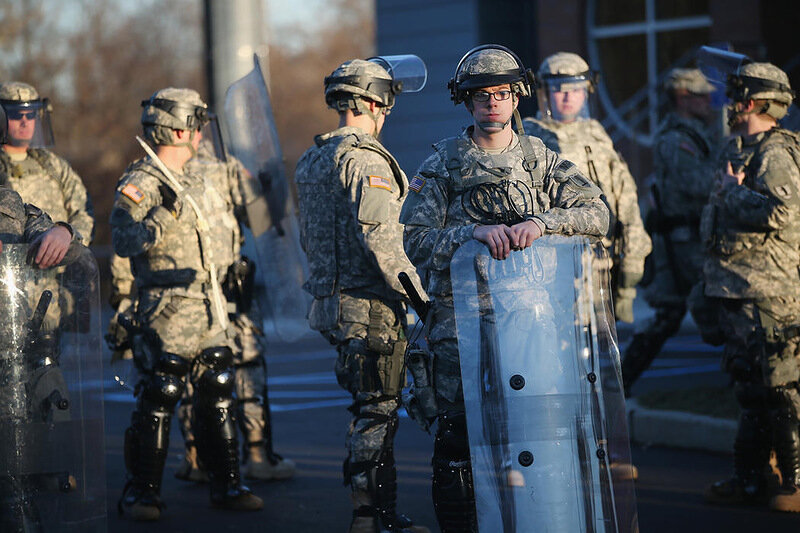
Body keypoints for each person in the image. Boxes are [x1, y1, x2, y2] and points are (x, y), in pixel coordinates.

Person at [399, 44, 609, 532]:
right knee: (458, 440)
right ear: (465, 102)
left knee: (541, 433)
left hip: (529, 323)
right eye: (480, 95)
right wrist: (469, 234)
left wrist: (543, 222)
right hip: (460, 325)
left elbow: (597, 214)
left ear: (517, 97)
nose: (492, 103)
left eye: (502, 93)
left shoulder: (540, 158)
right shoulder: (443, 164)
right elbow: (411, 239)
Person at [111, 87, 263, 520]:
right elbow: (122, 239)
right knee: (162, 392)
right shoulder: (143, 181)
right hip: (167, 308)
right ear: (177, 129)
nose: (200, 134)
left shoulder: (196, 180)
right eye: (195, 125)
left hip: (209, 302)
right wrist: (161, 215)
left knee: (218, 390)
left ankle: (228, 484)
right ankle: (143, 494)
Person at [295, 58, 428, 533]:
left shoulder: (311, 159)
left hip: (333, 304)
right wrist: (424, 301)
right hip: (370, 307)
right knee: (376, 412)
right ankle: (373, 518)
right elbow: (385, 243)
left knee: (367, 408)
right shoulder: (366, 159)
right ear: (374, 102)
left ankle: (372, 515)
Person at [107, 155, 295, 484]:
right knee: (196, 375)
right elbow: (128, 244)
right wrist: (125, 299)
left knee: (227, 375)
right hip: (189, 294)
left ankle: (240, 457)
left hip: (229, 290)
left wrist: (266, 190)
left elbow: (263, 220)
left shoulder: (225, 167)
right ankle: (214, 457)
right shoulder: (163, 169)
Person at [699, 62, 800, 512]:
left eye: (736, 95)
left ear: (755, 101)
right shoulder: (738, 147)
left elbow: (783, 213)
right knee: (751, 390)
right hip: (736, 291)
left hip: (768, 294)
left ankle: (793, 484)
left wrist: (731, 192)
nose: (729, 105)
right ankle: (751, 479)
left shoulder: (776, 151)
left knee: (781, 389)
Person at [523, 52, 651, 325]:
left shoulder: (597, 135)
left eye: (576, 89)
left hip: (602, 260)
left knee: (601, 349)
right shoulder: (531, 139)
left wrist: (632, 261)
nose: (568, 98)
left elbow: (625, 197)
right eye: (559, 89)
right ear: (544, 92)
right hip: (556, 262)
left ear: (587, 93)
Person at [620, 68, 717, 395]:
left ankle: (619, 382)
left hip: (688, 239)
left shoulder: (695, 132)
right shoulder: (676, 138)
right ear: (683, 97)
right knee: (718, 308)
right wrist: (733, 181)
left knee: (670, 314)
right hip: (684, 243)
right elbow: (696, 185)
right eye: (701, 95)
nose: (709, 101)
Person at [0, 82, 94, 245]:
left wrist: (68, 236)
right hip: (10, 266)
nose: (25, 122)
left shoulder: (54, 166)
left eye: (30, 115)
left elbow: (84, 214)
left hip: (59, 266)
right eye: (16, 115)